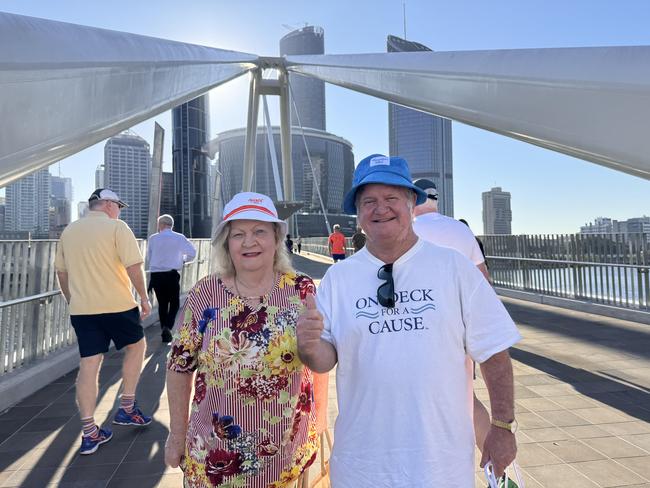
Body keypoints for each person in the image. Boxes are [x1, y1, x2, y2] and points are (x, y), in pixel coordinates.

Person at [297, 155, 521, 487]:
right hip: (361, 467)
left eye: (391, 198)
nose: (380, 208)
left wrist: (502, 427)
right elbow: (325, 359)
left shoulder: (453, 268)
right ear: (358, 214)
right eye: (369, 201)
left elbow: (493, 353)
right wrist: (310, 346)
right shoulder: (338, 278)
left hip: (440, 466)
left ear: (411, 204)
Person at [165, 192, 318, 487]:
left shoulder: (301, 288)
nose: (250, 242)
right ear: (227, 243)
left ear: (276, 237)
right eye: (239, 234)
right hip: (215, 455)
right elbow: (179, 366)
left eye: (260, 231)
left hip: (285, 452)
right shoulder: (205, 294)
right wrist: (176, 434)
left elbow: (318, 358)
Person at [55, 188, 152, 456]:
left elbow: (61, 273)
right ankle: (127, 408)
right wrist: (144, 298)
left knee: (89, 364)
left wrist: (72, 300)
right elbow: (134, 266)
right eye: (118, 205)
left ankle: (89, 432)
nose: (119, 210)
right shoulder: (117, 228)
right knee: (136, 347)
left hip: (82, 309)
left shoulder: (69, 231)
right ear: (108, 205)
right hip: (118, 305)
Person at [412, 178, 495, 464]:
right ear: (436, 200)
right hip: (459, 329)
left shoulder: (406, 230)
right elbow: (483, 282)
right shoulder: (460, 229)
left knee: (418, 400)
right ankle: (497, 465)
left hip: (416, 331)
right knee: (465, 397)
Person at [147, 214, 197, 343]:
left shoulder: (153, 239)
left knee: (162, 304)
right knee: (174, 303)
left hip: (156, 275)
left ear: (161, 224)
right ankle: (168, 326)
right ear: (171, 225)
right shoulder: (179, 238)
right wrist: (182, 260)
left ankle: (164, 328)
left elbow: (149, 258)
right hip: (171, 274)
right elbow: (192, 253)